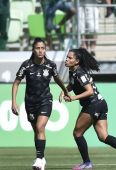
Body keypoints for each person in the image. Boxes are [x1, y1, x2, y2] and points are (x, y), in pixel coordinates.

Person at [61, 47, 116, 169]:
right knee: (103, 136)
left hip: (93, 104)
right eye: (67, 57)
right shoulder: (73, 71)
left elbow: (89, 91)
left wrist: (73, 98)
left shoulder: (80, 72)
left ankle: (87, 163)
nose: (67, 59)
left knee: (77, 133)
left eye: (70, 58)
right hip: (100, 103)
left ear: (77, 61)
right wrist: (64, 91)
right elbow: (73, 84)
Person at [11, 37, 71, 170]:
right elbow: (16, 83)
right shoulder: (26, 65)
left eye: (42, 48)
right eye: (37, 48)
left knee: (40, 127)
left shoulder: (50, 65)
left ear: (45, 50)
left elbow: (57, 79)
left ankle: (39, 160)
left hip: (45, 101)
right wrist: (13, 102)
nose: (40, 50)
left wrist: (65, 91)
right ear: (33, 50)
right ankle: (41, 158)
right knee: (37, 131)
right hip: (30, 103)